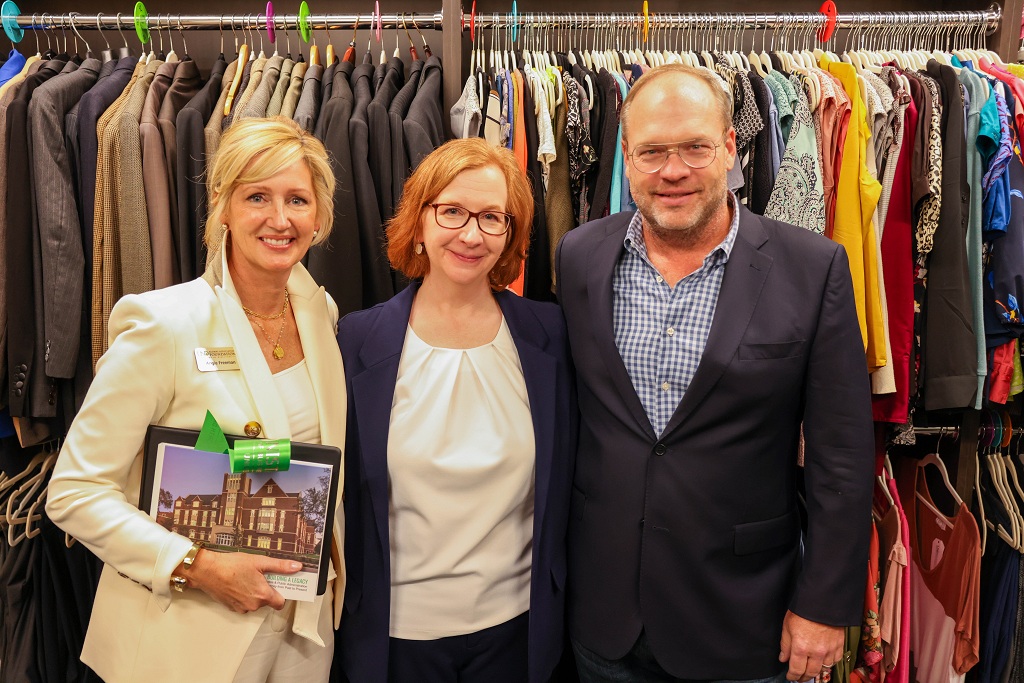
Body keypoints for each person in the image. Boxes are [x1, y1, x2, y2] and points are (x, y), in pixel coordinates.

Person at [555, 64, 874, 683]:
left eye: (695, 147)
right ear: (625, 155)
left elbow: (843, 456)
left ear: (731, 146)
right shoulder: (579, 256)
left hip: (744, 621)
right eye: (651, 152)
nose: (672, 171)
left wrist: (825, 606)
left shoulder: (814, 268)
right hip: (605, 617)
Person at [45, 116, 347, 683]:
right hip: (188, 635)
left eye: (298, 200)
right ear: (223, 205)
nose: (280, 219)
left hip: (302, 629)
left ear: (320, 215)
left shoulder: (319, 314)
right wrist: (197, 566)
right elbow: (74, 492)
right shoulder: (164, 324)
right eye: (257, 196)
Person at [336, 137, 576, 683]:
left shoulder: (551, 335)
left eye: (493, 217)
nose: (472, 234)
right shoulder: (357, 340)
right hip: (397, 637)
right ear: (419, 220)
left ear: (512, 233)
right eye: (452, 212)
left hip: (519, 631)